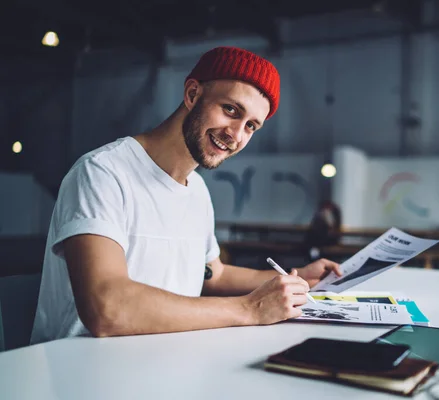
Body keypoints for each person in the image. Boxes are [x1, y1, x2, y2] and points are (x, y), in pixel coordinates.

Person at [30, 46, 342, 344]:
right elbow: (106, 308)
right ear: (192, 94)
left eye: (251, 126)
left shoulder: (197, 191)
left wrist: (297, 278)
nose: (235, 135)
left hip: (163, 363)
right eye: (230, 110)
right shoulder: (103, 172)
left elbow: (213, 275)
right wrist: (248, 309)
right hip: (80, 373)